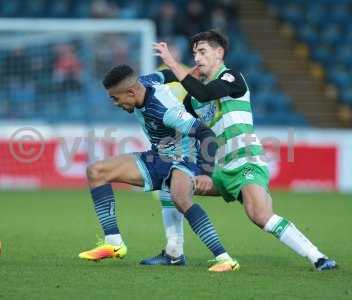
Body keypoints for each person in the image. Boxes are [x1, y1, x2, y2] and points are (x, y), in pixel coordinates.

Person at [141, 29, 336, 271]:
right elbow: (183, 121)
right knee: (173, 185)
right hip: (218, 170)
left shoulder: (232, 78)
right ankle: (173, 252)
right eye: (194, 54)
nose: (197, 58)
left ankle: (318, 258)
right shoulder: (192, 102)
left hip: (245, 162)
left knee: (260, 216)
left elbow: (204, 91)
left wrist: (171, 62)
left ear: (219, 53)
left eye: (202, 51)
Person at [78, 64, 239, 272]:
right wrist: (193, 72)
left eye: (116, 98)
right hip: (158, 156)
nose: (115, 103)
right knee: (96, 171)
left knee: (179, 198)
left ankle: (225, 259)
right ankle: (115, 244)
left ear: (131, 92)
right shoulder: (145, 81)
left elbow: (206, 134)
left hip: (185, 157)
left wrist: (206, 173)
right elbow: (167, 74)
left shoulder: (166, 111)